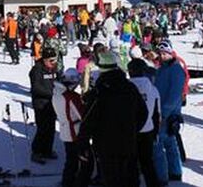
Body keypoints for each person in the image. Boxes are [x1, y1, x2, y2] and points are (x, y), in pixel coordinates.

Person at [78, 51, 148, 187]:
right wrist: (132, 129)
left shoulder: (99, 92)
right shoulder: (130, 87)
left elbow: (87, 120)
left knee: (112, 179)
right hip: (128, 141)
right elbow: (143, 113)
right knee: (130, 177)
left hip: (106, 144)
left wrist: (83, 143)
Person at [153, 41, 186, 185]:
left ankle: (164, 175)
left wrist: (163, 113)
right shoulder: (161, 69)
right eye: (160, 53)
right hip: (160, 111)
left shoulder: (176, 69)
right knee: (169, 143)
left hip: (168, 113)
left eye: (165, 53)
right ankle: (173, 171)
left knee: (161, 144)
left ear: (170, 52)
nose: (162, 56)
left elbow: (174, 96)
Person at [53, 68, 92, 187]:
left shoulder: (56, 92)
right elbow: (83, 115)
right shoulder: (71, 96)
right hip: (75, 132)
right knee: (86, 161)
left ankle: (67, 182)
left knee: (71, 161)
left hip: (65, 130)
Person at [128, 58, 161, 187]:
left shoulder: (126, 88)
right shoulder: (152, 89)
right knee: (148, 163)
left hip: (131, 131)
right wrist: (156, 132)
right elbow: (156, 113)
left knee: (131, 164)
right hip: (148, 130)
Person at [29, 47, 58, 164]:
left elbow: (58, 80)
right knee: (42, 128)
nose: (53, 63)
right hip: (41, 104)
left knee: (51, 128)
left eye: (54, 60)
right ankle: (36, 151)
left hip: (52, 103)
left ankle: (47, 150)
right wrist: (51, 94)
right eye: (51, 60)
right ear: (45, 60)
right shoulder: (37, 70)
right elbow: (36, 88)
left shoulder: (53, 69)